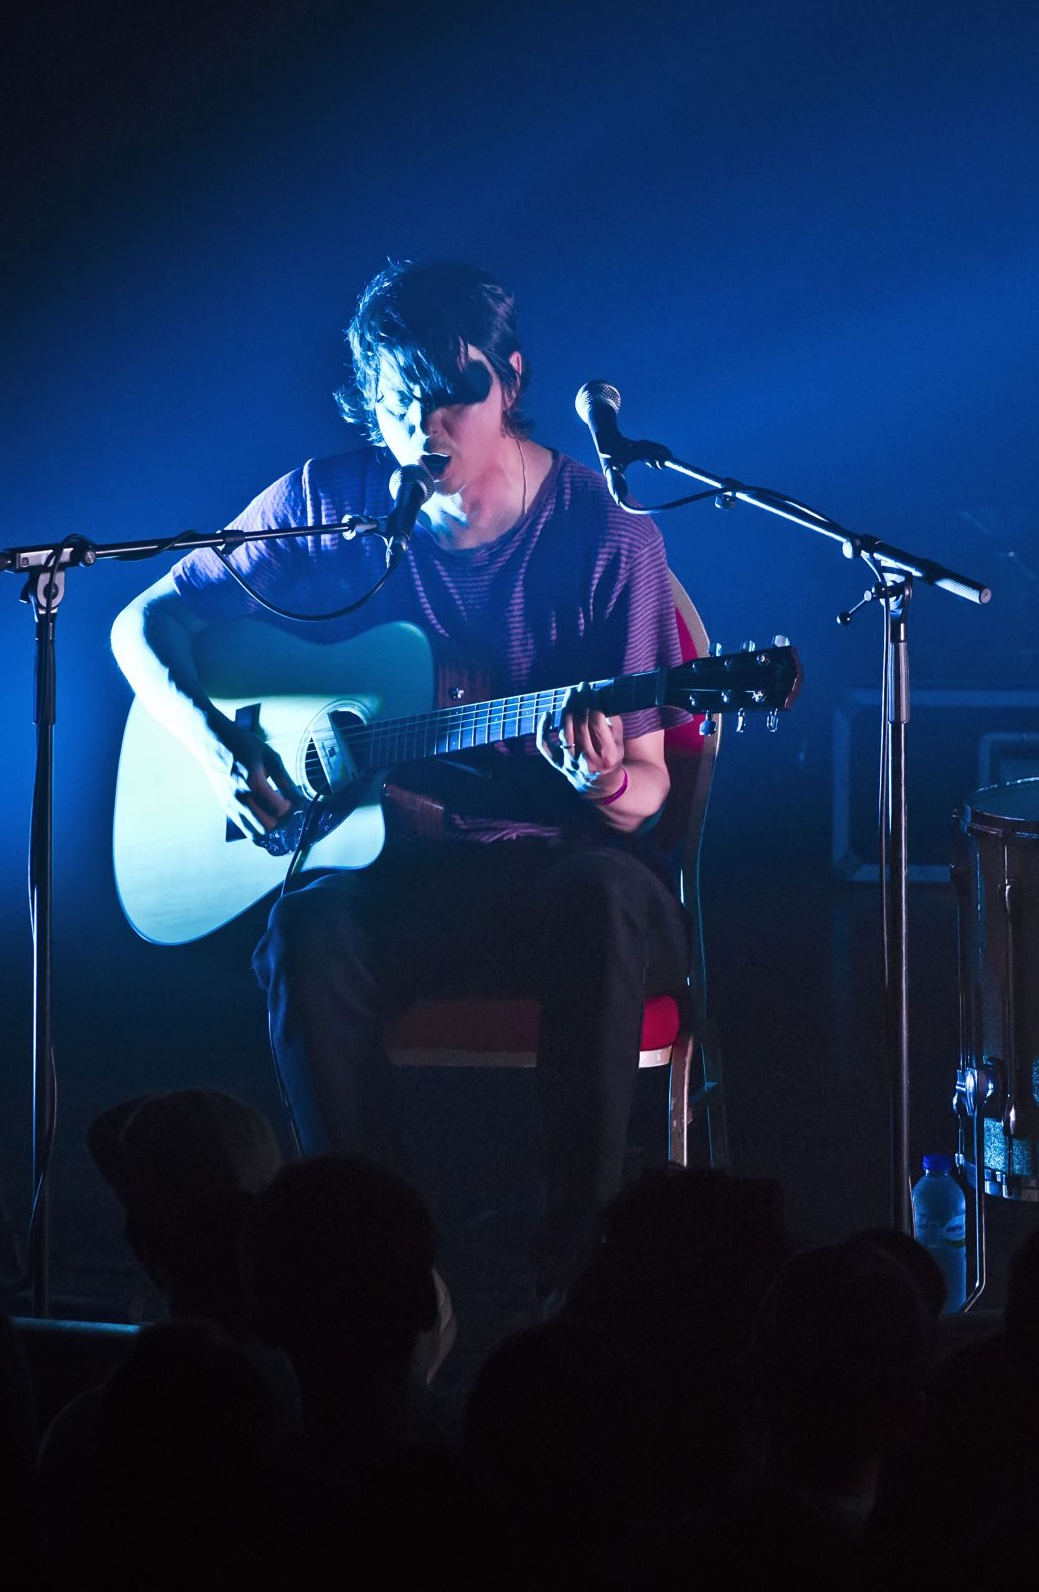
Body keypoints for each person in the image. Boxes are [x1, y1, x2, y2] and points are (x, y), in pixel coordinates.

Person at [109, 259, 690, 1294]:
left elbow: (647, 789)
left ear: (510, 381)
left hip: (553, 872)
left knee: (605, 894)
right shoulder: (328, 506)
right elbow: (143, 620)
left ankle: (580, 1266)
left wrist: (594, 777)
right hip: (396, 873)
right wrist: (217, 746)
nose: (425, 423)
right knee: (303, 932)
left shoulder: (607, 535)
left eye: (455, 392)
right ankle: (374, 1266)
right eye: (396, 398)